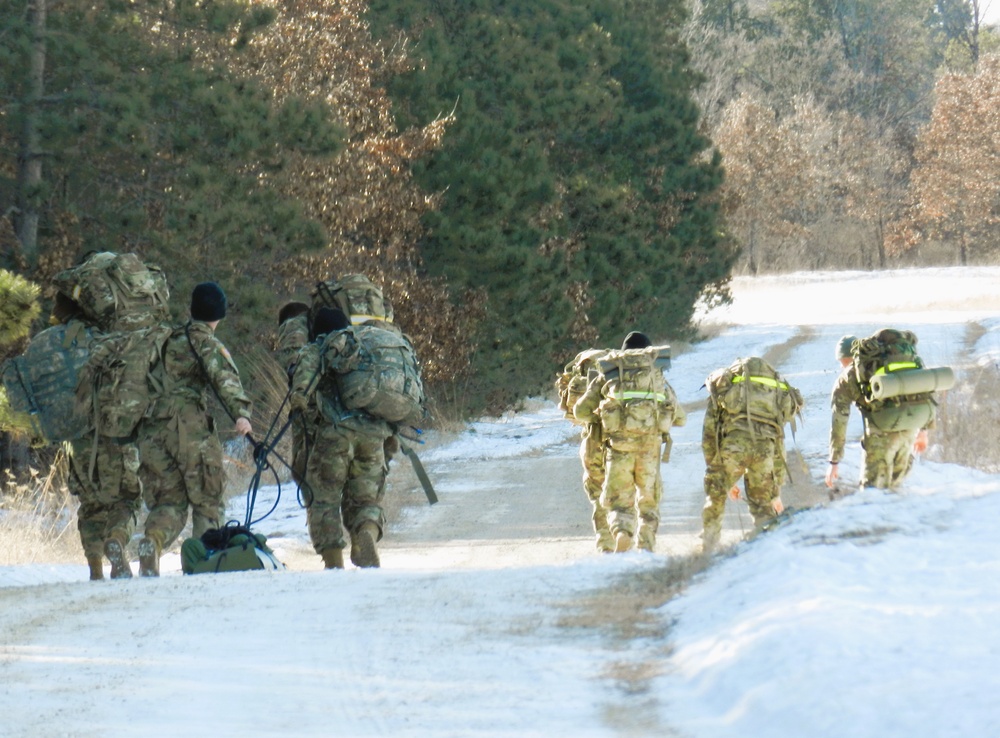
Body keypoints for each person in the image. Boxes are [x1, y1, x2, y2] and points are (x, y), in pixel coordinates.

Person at [136, 282, 253, 577]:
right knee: (207, 498)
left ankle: (153, 542)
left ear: (191, 310)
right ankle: (205, 561)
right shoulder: (206, 342)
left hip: (151, 428)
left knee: (168, 501)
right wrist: (241, 415)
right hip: (189, 429)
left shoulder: (164, 340)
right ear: (220, 315)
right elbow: (225, 379)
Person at [288, 307, 394, 569]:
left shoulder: (315, 351)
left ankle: (333, 562)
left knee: (323, 498)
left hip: (333, 438)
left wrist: (298, 401)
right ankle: (365, 534)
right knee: (365, 499)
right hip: (371, 437)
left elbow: (301, 391)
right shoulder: (365, 350)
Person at [52, 292, 143, 580]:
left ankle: (94, 562)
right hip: (114, 434)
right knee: (127, 500)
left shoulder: (53, 344)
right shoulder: (104, 337)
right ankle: (116, 538)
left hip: (76, 438)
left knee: (90, 504)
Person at [573, 331, 684, 553]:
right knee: (649, 500)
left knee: (619, 501)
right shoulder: (657, 377)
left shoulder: (611, 374)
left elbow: (580, 412)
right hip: (649, 449)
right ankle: (646, 544)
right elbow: (680, 417)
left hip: (618, 448)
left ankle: (622, 532)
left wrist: (601, 415)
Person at [701, 356, 803, 553]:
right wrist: (776, 491)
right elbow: (779, 442)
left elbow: (709, 434)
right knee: (762, 505)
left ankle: (708, 547)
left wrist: (721, 476)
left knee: (716, 495)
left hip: (734, 447)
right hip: (765, 450)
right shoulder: (774, 393)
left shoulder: (725, 387)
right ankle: (766, 550)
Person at [826, 331, 931, 491]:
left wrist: (834, 461)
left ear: (846, 357)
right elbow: (922, 389)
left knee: (873, 493)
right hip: (909, 429)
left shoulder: (847, 378)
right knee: (894, 491)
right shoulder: (892, 365)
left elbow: (839, 420)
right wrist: (923, 431)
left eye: (841, 360)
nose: (841, 365)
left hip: (881, 433)